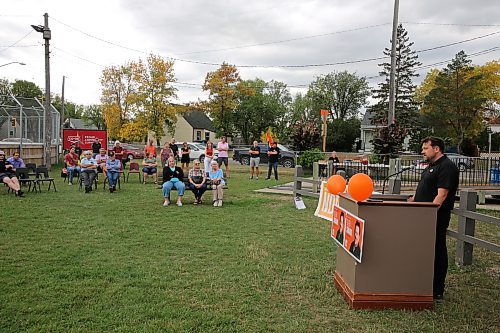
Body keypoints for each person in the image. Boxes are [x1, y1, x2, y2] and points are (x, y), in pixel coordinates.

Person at [409, 136, 459, 300]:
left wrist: (429, 214)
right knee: (423, 250)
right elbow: (424, 187)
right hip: (421, 215)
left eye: (425, 148)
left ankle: (437, 288)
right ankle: (422, 282)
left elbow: (442, 195)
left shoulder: (447, 167)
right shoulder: (431, 166)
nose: (422, 151)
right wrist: (414, 201)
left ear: (436, 149)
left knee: (437, 250)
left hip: (435, 217)